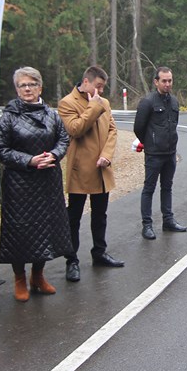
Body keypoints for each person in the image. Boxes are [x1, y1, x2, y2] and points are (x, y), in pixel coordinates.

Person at [0, 67, 72, 301]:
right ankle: (19, 279)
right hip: (20, 183)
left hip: (48, 180)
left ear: (40, 87)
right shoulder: (9, 117)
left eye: (31, 84)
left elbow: (63, 139)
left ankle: (38, 276)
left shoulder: (51, 114)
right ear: (17, 89)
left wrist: (54, 155)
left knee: (46, 228)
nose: (27, 89)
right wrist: (29, 160)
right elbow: (0, 149)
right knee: (20, 231)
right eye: (22, 85)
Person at [57, 66, 123, 282]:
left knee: (100, 215)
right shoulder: (67, 103)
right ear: (86, 82)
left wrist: (107, 155)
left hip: (102, 168)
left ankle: (99, 252)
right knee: (74, 217)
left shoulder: (104, 103)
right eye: (98, 86)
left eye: (103, 87)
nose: (101, 91)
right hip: (81, 170)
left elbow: (112, 130)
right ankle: (71, 260)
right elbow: (75, 129)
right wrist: (93, 106)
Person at [134, 67, 187, 238]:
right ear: (156, 82)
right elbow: (138, 128)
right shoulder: (147, 102)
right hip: (154, 154)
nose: (167, 84)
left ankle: (168, 220)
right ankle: (147, 225)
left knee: (167, 187)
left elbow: (174, 123)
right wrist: (150, 142)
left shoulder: (174, 101)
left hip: (170, 153)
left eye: (170, 80)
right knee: (149, 188)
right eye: (164, 81)